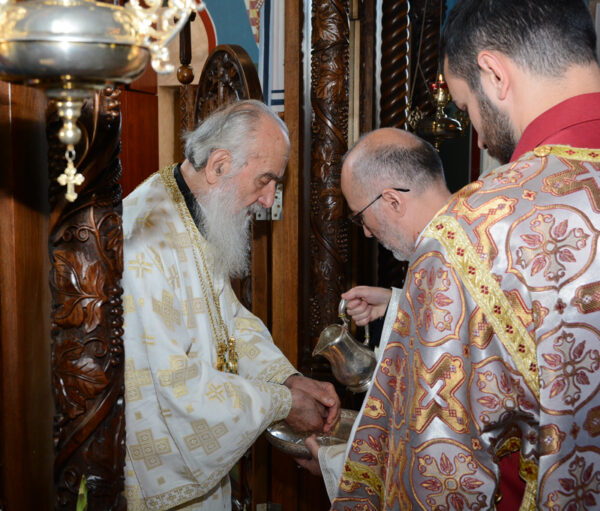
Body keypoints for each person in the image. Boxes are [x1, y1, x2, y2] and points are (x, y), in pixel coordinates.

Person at [331, 0, 600, 509]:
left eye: (465, 105)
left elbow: (439, 471)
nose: (476, 133)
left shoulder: (475, 228)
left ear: (494, 74)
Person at [121, 99, 340, 510]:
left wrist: (286, 379)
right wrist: (283, 403)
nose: (268, 199)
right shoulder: (145, 239)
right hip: (163, 487)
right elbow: (175, 386)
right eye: (264, 180)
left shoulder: (193, 209)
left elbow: (230, 321)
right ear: (219, 165)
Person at [295, 127, 451, 501]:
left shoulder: (445, 264)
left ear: (393, 200)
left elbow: (434, 434)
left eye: (361, 216)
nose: (365, 232)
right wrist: (396, 302)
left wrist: (332, 462)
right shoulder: (464, 239)